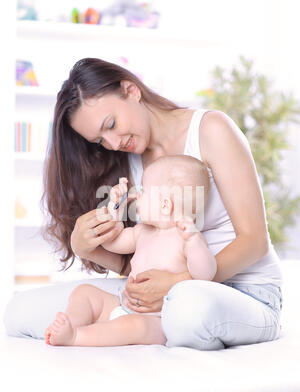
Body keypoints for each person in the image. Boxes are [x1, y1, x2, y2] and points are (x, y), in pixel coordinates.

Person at [4, 57, 282, 350]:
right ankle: (121, 328)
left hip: (245, 292)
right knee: (20, 313)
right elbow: (143, 265)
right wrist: (86, 247)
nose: (111, 143)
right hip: (166, 300)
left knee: (187, 309)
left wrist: (179, 283)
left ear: (131, 90)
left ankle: (159, 323)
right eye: (100, 140)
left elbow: (255, 242)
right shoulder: (128, 162)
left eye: (111, 125)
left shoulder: (210, 130)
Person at [45, 155, 216, 346]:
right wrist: (115, 210)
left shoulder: (187, 239)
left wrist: (194, 242)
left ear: (165, 205)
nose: (137, 196)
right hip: (123, 305)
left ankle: (76, 337)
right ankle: (71, 325)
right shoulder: (142, 232)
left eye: (143, 191)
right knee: (84, 292)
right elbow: (112, 243)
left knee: (134, 326)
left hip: (156, 321)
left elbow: (204, 274)